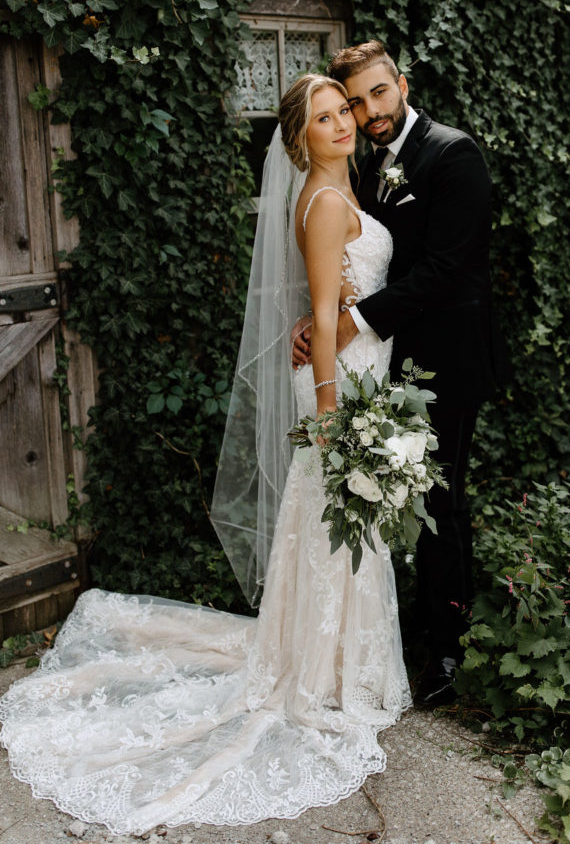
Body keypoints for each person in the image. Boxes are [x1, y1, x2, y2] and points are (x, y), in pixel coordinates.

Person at [0, 74, 410, 835]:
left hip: (357, 374)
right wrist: (328, 412)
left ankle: (333, 662)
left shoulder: (346, 195)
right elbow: (321, 318)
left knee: (343, 523)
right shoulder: (322, 205)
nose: (340, 125)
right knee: (334, 518)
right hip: (334, 386)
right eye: (322, 119)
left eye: (341, 111)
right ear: (300, 140)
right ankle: (319, 674)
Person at [292, 42, 510, 707]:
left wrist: (349, 324)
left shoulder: (452, 154)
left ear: (401, 85)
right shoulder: (362, 164)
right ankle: (397, 630)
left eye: (376, 94)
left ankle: (446, 651)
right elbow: (352, 254)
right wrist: (322, 315)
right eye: (354, 101)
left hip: (446, 359)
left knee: (439, 501)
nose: (367, 111)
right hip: (385, 363)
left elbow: (445, 269)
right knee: (384, 497)